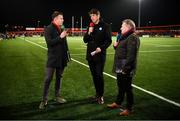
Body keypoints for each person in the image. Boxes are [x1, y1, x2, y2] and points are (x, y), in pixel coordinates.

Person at [107, 19, 140, 116]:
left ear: (128, 27)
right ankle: (118, 102)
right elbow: (122, 49)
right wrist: (115, 46)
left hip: (126, 67)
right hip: (120, 65)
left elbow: (131, 56)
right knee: (120, 86)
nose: (121, 27)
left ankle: (130, 108)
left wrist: (126, 69)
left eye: (122, 26)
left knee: (127, 88)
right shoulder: (124, 37)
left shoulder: (132, 37)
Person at [39, 11, 70, 109]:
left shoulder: (62, 28)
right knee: (48, 79)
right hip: (53, 59)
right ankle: (44, 100)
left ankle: (57, 96)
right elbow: (49, 43)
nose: (63, 20)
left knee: (59, 77)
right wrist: (60, 37)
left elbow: (65, 44)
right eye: (61, 18)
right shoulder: (48, 29)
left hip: (62, 58)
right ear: (55, 19)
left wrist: (68, 55)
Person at [83, 8, 112, 104]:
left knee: (99, 75)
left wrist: (102, 48)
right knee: (94, 75)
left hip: (99, 55)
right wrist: (89, 32)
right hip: (90, 55)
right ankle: (97, 94)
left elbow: (108, 41)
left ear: (98, 15)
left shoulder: (105, 26)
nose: (92, 17)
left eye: (93, 15)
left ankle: (101, 95)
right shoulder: (90, 26)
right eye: (90, 16)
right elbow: (85, 40)